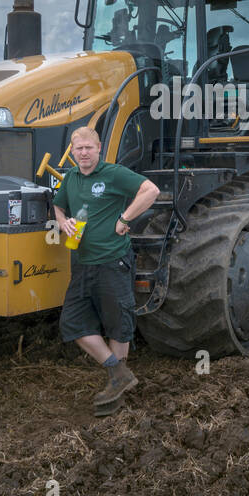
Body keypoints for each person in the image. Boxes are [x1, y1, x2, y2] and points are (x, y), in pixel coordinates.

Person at [52, 126, 160, 414]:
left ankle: (117, 394)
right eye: (79, 149)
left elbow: (151, 190)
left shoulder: (113, 173)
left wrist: (125, 217)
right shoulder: (71, 179)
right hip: (83, 262)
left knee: (118, 323)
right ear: (72, 152)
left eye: (89, 148)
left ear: (99, 149)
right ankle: (117, 373)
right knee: (72, 323)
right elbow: (58, 207)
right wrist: (63, 222)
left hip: (114, 260)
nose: (84, 153)